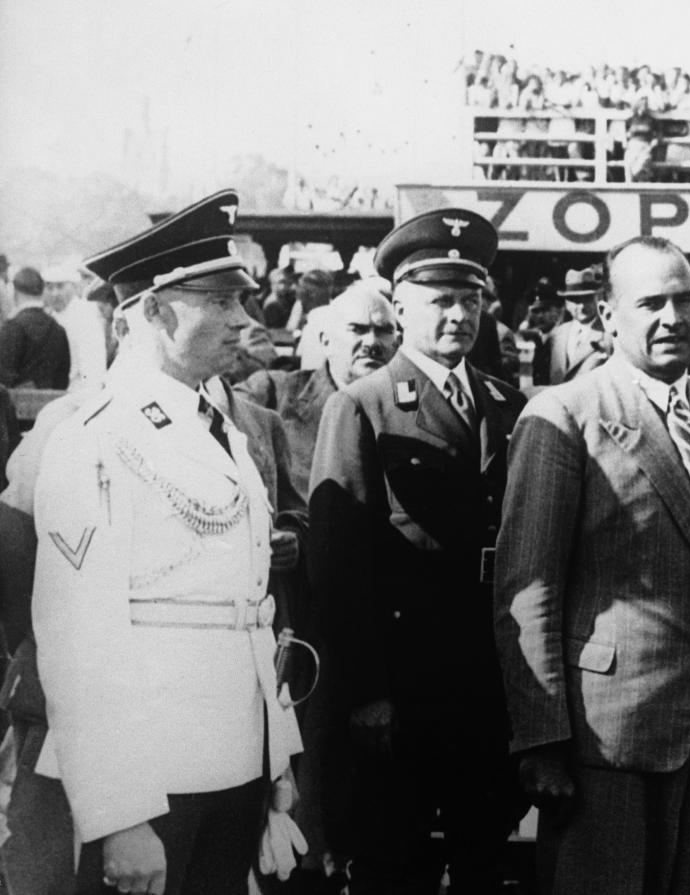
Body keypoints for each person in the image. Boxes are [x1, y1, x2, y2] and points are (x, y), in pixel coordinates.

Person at [27, 190, 304, 894]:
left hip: (234, 763)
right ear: (153, 310)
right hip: (154, 783)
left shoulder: (223, 428)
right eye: (220, 300)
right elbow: (77, 640)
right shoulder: (95, 436)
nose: (243, 320)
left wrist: (276, 764)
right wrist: (118, 814)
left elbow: (249, 615)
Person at [494, 234, 690, 895]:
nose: (673, 319)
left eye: (686, 301)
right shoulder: (564, 415)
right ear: (606, 314)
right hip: (606, 737)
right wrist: (541, 740)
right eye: (651, 303)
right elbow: (526, 590)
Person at [308, 209, 527, 894]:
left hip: (490, 681)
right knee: (393, 861)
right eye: (441, 300)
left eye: (471, 299)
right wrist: (367, 689)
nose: (459, 315)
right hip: (406, 683)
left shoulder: (506, 401)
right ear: (401, 306)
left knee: (484, 855)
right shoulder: (364, 405)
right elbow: (340, 564)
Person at [239, 277, 398, 500]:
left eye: (384, 331)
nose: (372, 342)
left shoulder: (412, 410)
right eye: (358, 329)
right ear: (326, 342)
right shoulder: (273, 393)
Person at [0, 267, 71, 389]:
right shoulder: (58, 329)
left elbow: (4, 378)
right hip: (52, 405)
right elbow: (62, 379)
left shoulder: (12, 328)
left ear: (15, 292)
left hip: (18, 405)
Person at [547, 266, 609, 384]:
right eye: (574, 300)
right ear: (566, 302)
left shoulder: (608, 334)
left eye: (587, 299)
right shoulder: (557, 334)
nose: (581, 306)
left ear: (598, 298)